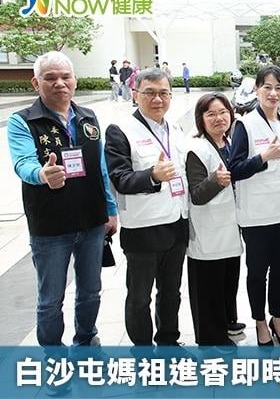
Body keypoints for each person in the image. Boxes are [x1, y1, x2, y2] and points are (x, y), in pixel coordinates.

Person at [7, 51, 118, 366]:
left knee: (91, 291)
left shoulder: (88, 117)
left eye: (65, 76)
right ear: (36, 83)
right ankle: (53, 358)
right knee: (50, 300)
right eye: (50, 78)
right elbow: (23, 162)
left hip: (92, 221)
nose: (59, 83)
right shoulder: (23, 121)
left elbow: (100, 168)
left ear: (75, 80)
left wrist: (110, 209)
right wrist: (42, 174)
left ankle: (86, 342)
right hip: (51, 226)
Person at [105, 69, 190, 350]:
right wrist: (152, 176)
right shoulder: (120, 130)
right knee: (140, 297)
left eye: (163, 93)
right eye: (150, 93)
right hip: (143, 229)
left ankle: (169, 342)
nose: (157, 99)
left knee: (171, 292)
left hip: (176, 224)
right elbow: (120, 178)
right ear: (135, 94)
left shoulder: (175, 129)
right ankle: (142, 351)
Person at [228, 65, 280, 347]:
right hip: (256, 216)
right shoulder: (245, 125)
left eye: (278, 87)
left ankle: (277, 319)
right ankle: (260, 321)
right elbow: (234, 169)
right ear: (257, 89)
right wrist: (263, 157)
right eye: (267, 87)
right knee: (258, 272)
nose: (273, 93)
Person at [185, 93, 244, 351]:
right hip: (208, 231)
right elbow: (197, 194)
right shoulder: (196, 149)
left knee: (227, 280)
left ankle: (227, 321)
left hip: (229, 228)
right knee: (208, 286)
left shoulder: (229, 142)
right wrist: (215, 181)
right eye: (211, 114)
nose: (219, 118)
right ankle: (210, 336)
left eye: (223, 112)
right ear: (201, 119)